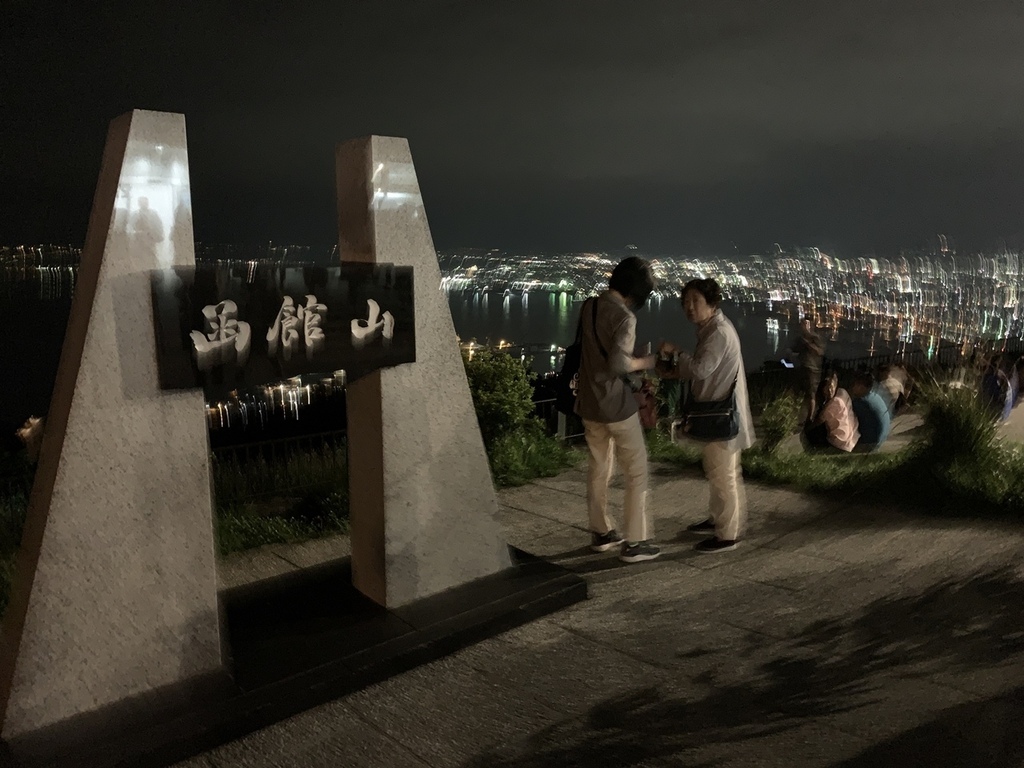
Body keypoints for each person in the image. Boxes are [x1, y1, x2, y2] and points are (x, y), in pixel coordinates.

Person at [659, 278, 754, 554]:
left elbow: (701, 369)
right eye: (685, 302)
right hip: (718, 411)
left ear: (711, 303)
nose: (689, 307)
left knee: (724, 474)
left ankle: (727, 535)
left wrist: (677, 353)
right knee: (718, 471)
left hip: (722, 414)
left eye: (695, 301)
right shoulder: (712, 329)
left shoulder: (719, 333)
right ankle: (717, 520)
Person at [575, 256, 660, 564]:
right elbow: (619, 364)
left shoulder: (590, 306)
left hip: (588, 402)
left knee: (599, 468)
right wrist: (647, 363)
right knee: (636, 470)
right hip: (616, 406)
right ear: (636, 292)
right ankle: (636, 542)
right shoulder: (625, 318)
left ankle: (601, 532)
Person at [803, 370, 860, 452]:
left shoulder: (835, 403)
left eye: (831, 386)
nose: (829, 390)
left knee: (814, 432)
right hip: (852, 437)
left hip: (841, 443)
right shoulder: (842, 392)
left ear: (836, 384)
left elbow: (817, 422)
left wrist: (806, 428)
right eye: (826, 388)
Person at [791, 317, 825, 424]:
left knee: (811, 394)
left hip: (812, 370)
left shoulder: (815, 338)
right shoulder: (800, 339)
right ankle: (794, 416)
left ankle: (809, 418)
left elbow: (820, 352)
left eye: (805, 324)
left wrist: (808, 344)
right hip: (801, 368)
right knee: (797, 393)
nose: (803, 327)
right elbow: (793, 349)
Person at [849, 370, 891, 451]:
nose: (852, 388)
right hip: (881, 439)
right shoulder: (876, 397)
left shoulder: (861, 402)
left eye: (854, 385)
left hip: (868, 443)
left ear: (861, 387)